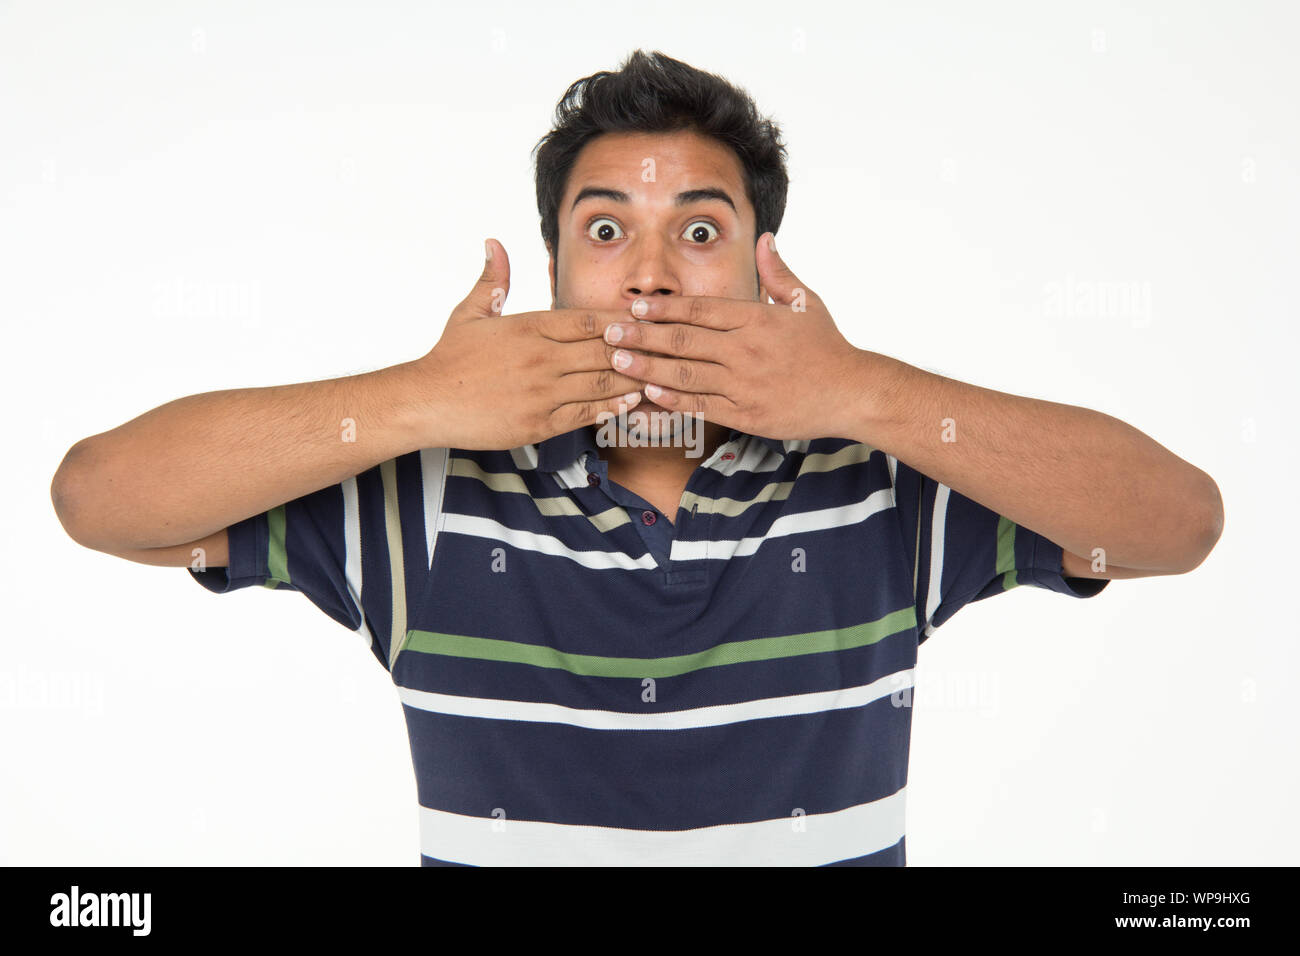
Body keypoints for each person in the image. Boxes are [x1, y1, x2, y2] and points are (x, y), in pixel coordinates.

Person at [50, 49, 1223, 866]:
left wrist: (860, 388)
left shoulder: (877, 484)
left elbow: (1178, 524)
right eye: (605, 230)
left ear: (767, 265)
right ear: (557, 273)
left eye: (698, 231)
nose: (651, 275)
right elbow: (99, 498)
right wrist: (414, 398)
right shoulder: (428, 499)